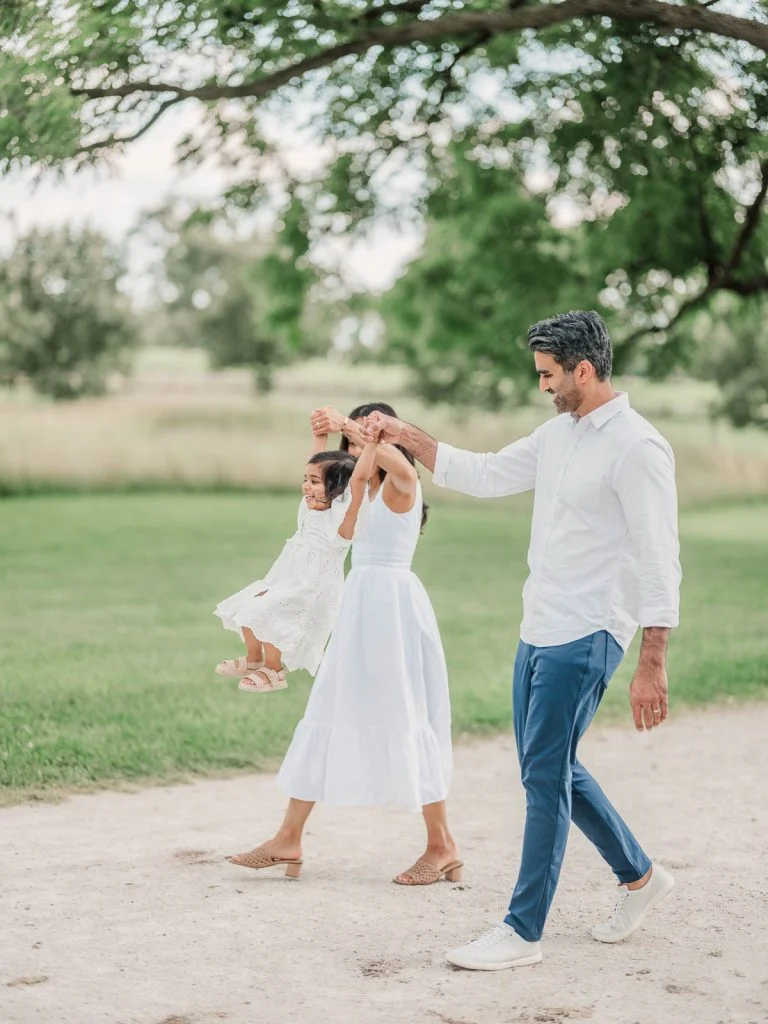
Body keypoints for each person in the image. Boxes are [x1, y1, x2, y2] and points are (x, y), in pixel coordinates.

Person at [364, 310, 682, 969]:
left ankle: (522, 930)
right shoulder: (557, 435)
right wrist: (402, 433)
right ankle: (642, 877)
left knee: (543, 774)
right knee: (552, 766)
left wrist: (653, 659)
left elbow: (659, 558)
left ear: (583, 371)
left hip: (592, 628)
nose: (543, 387)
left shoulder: (638, 447)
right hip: (539, 623)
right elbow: (480, 473)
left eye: (548, 376)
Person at [226, 403, 460, 885]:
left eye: (369, 438)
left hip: (393, 609)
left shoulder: (402, 484)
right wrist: (323, 440)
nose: (358, 451)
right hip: (358, 607)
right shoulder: (356, 495)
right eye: (352, 447)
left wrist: (356, 428)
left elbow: (393, 458)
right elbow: (313, 509)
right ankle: (288, 836)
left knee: (409, 716)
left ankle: (442, 846)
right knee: (325, 711)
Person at [213, 429, 376, 693]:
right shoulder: (309, 508)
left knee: (269, 613)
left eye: (314, 482)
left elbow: (358, 481)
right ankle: (255, 661)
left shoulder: (341, 524)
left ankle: (275, 671)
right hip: (286, 576)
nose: (306, 487)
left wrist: (371, 446)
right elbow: (314, 459)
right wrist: (320, 435)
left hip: (313, 587)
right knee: (248, 606)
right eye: (306, 480)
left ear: (337, 490)